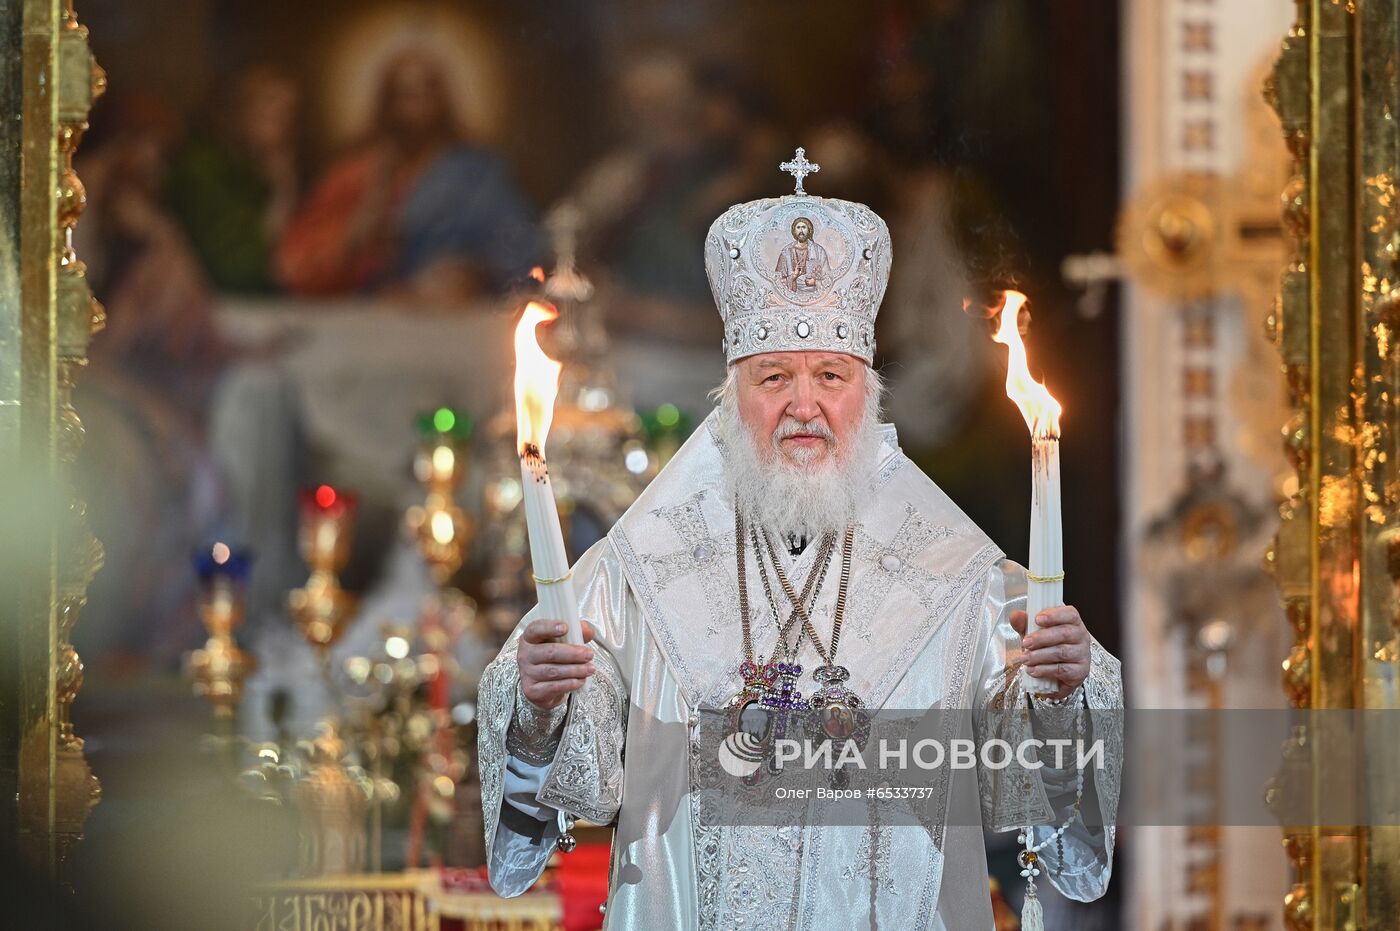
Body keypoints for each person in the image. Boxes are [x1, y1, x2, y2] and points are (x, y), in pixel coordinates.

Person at [477, 155, 1121, 928]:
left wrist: (1061, 692)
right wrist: (539, 704)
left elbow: (1053, 822)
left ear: (869, 394)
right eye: (774, 377)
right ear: (732, 396)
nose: (804, 405)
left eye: (831, 376)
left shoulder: (960, 572)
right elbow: (563, 750)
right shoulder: (640, 565)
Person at [277, 51, 542, 303]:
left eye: (426, 92)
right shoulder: (355, 173)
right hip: (376, 319)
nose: (414, 107)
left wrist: (474, 273)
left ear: (442, 99)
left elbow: (522, 250)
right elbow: (297, 265)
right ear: (387, 101)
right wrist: (357, 233)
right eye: (403, 94)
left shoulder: (478, 172)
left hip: (461, 318)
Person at [164, 66, 302, 294]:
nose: (283, 128)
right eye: (273, 114)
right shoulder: (203, 171)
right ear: (241, 112)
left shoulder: (260, 175)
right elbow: (239, 271)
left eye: (290, 116)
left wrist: (282, 191)